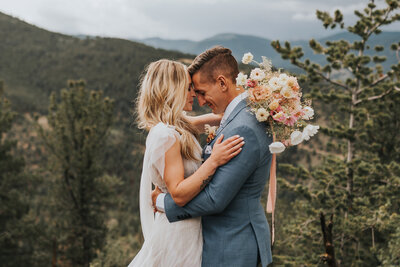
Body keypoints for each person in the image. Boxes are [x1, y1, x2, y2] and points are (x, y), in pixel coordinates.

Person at [153, 46, 273, 267]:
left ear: (222, 83)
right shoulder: (239, 116)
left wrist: (161, 202)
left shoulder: (242, 128)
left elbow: (214, 199)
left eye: (201, 92)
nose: (199, 101)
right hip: (229, 241)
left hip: (232, 246)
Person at [128, 59, 244, 267]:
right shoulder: (166, 135)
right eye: (189, 88)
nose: (194, 94)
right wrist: (214, 161)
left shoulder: (173, 126)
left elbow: (210, 119)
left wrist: (250, 106)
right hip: (178, 234)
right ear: (171, 90)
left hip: (188, 227)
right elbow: (179, 194)